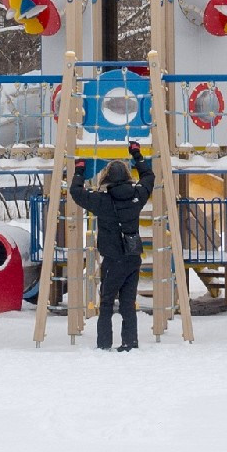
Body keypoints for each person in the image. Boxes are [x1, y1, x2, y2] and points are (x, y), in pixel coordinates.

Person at [70, 140, 154, 351]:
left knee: (107, 302)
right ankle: (130, 342)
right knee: (128, 303)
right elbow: (149, 177)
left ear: (107, 178)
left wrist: (80, 170)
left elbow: (76, 192)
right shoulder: (137, 196)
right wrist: (137, 154)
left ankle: (104, 343)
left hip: (113, 260)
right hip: (133, 258)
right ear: (126, 177)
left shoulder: (102, 201)